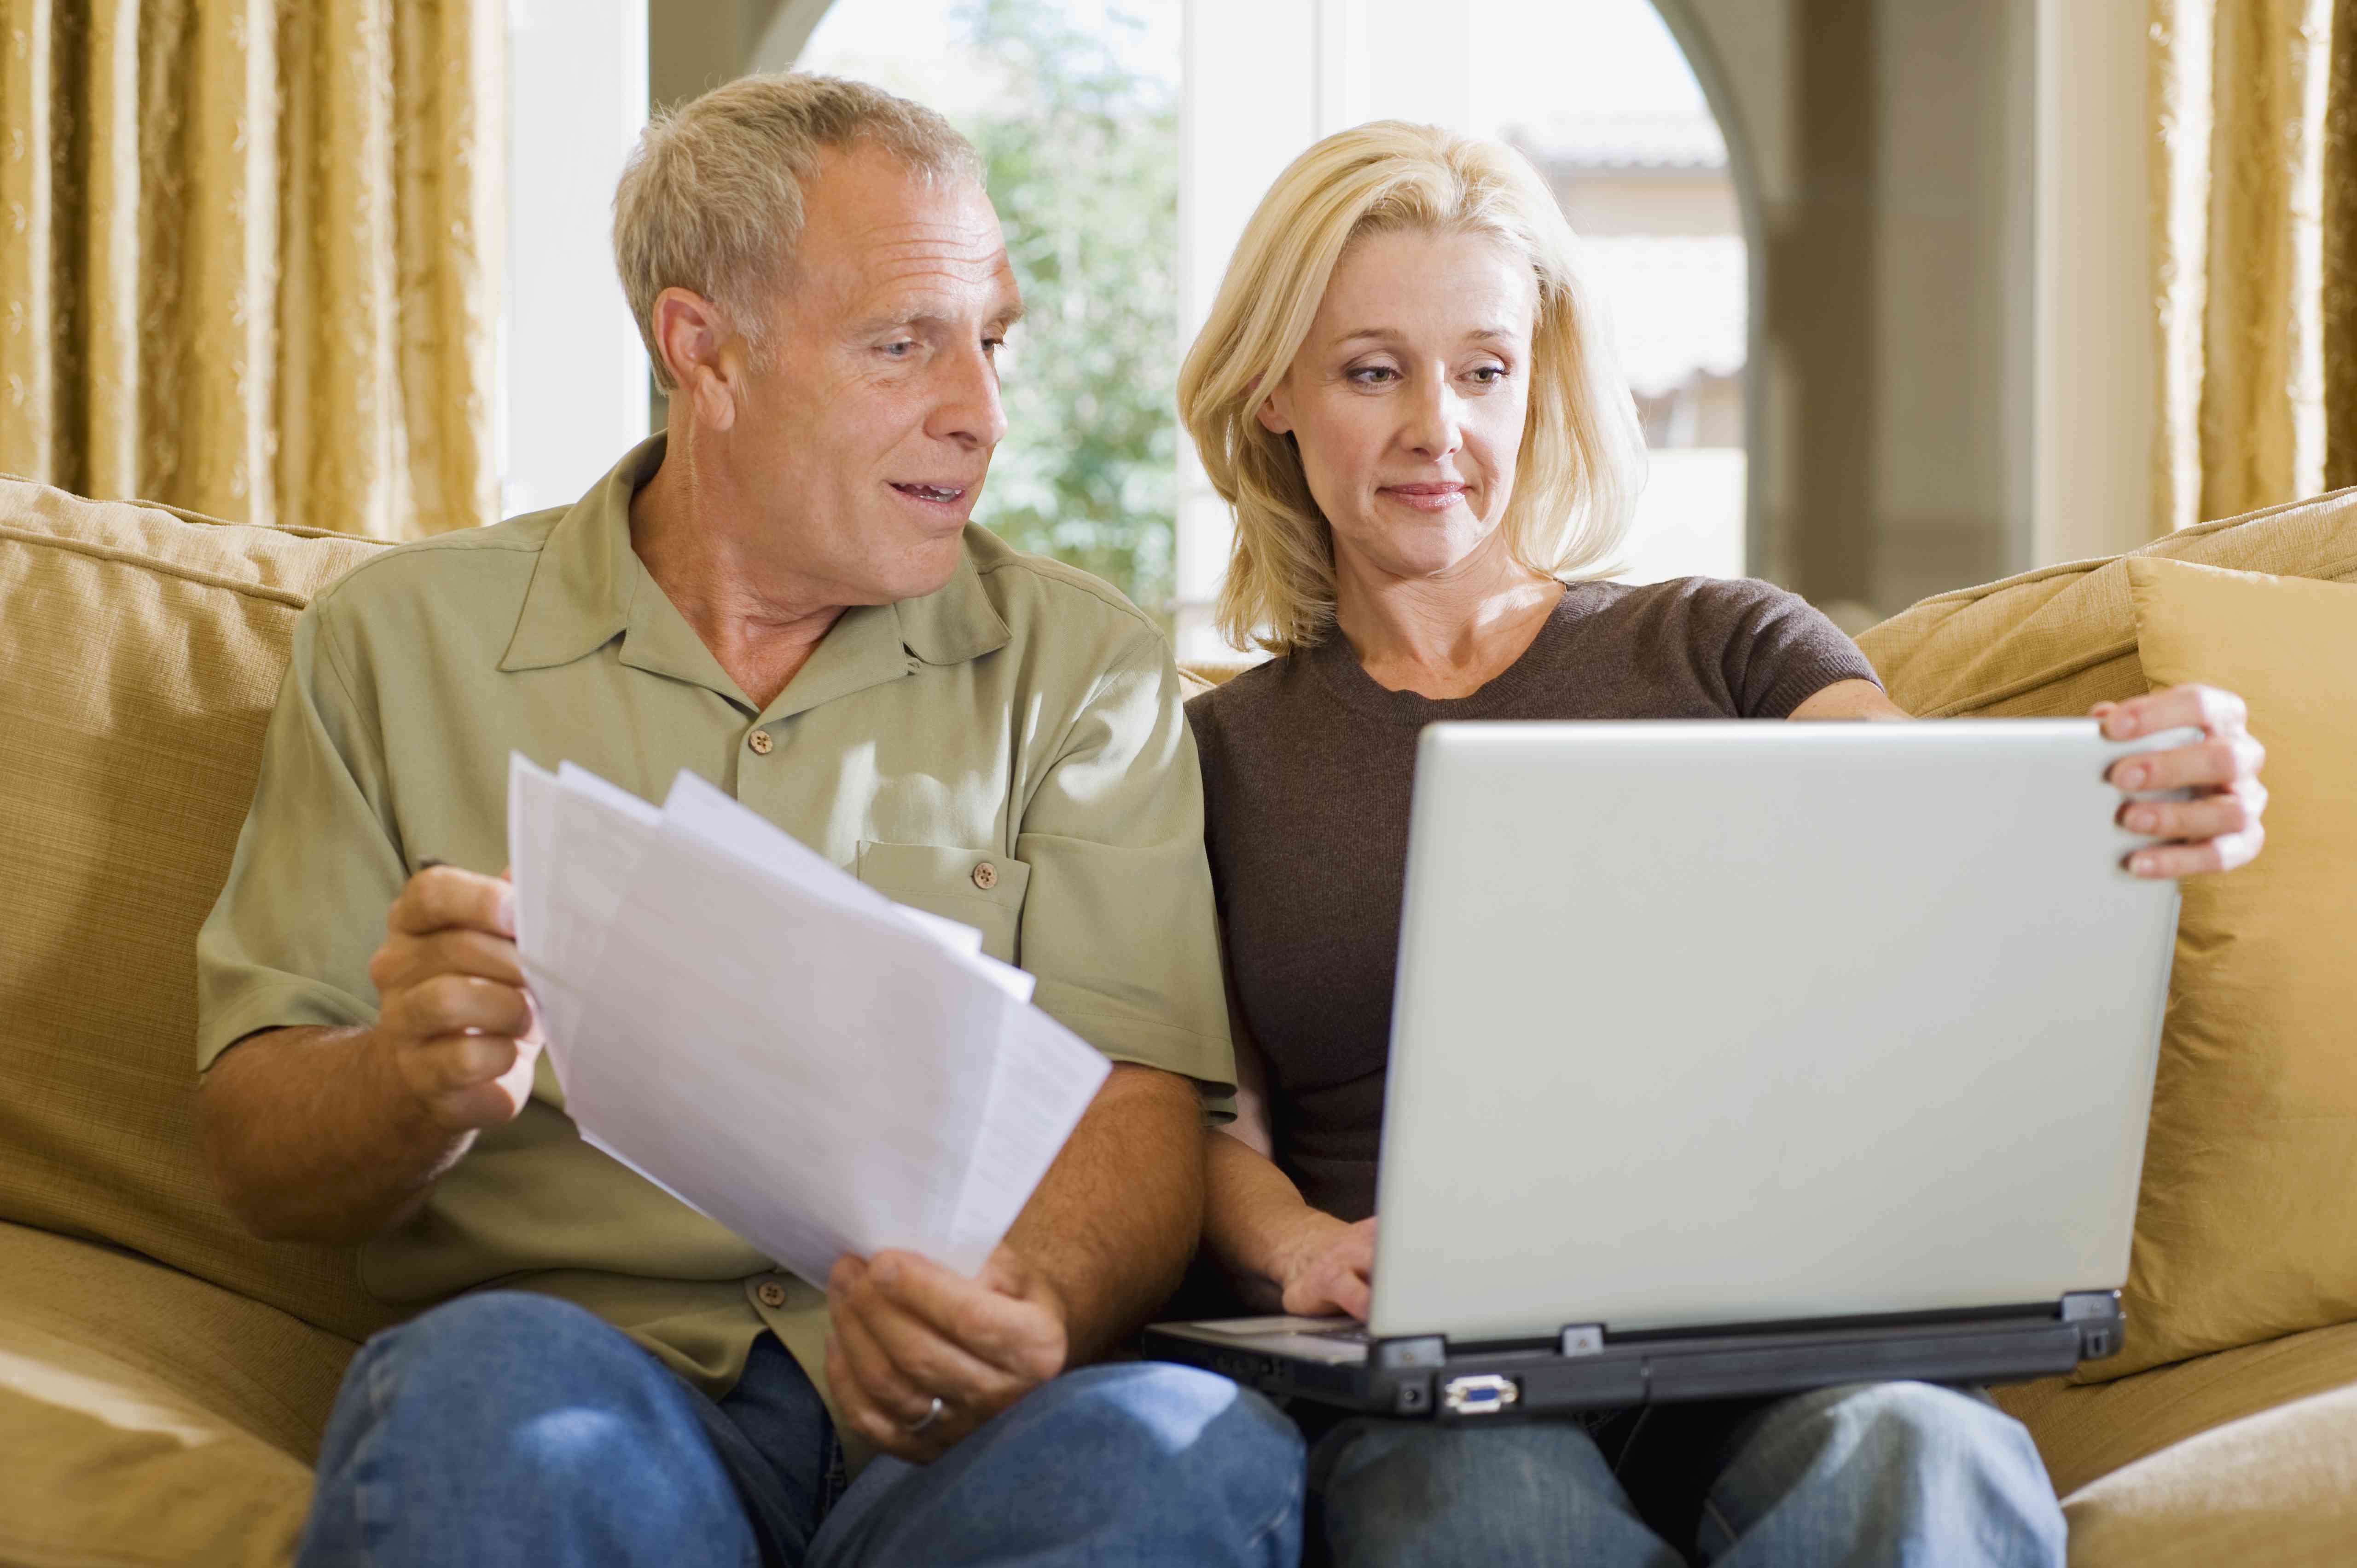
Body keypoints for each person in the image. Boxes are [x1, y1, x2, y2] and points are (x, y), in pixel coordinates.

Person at [192, 73, 1301, 1568]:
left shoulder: (1082, 666)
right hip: (591, 1385)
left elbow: (1142, 1101)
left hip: (955, 1439)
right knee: (481, 1390)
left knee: (1185, 1449)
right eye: (905, 343)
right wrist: (406, 1080)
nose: (980, 411)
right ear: (703, 349)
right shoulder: (395, 644)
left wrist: (1029, 1303)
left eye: (993, 339)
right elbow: (260, 1146)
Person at [1176, 121, 2267, 1568]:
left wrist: (2141, 789)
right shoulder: (1221, 757)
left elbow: (1925, 826)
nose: (1441, 424)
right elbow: (1209, 1130)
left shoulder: (1719, 639)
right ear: (1275, 396)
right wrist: (1307, 1250)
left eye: (1486, 370)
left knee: (1922, 1460)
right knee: (1484, 1520)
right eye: (1376, 371)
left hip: (1781, 1338)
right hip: (1443, 1379)